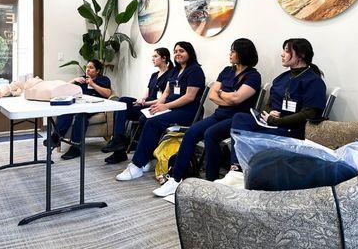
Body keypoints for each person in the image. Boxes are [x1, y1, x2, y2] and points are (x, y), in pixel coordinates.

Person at [153, 38, 261, 197]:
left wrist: (222, 94)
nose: (230, 54)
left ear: (243, 53)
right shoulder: (227, 71)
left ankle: (211, 180)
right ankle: (176, 179)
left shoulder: (253, 76)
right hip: (220, 114)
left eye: (233, 51)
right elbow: (212, 94)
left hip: (238, 118)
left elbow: (237, 99)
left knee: (210, 134)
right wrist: (228, 97)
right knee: (191, 133)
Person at [217, 38, 326, 187]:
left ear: (300, 55)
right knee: (240, 118)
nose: (282, 55)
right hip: (271, 123)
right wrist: (268, 113)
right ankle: (236, 170)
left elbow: (310, 113)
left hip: (291, 129)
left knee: (251, 136)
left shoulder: (313, 81)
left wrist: (278, 121)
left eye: (286, 51)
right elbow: (269, 104)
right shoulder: (281, 78)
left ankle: (248, 175)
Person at [116, 41, 205, 181]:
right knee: (145, 117)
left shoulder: (195, 70)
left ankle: (137, 165)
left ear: (190, 52)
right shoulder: (176, 70)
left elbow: (189, 97)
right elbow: (166, 92)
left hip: (188, 111)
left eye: (182, 51)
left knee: (153, 122)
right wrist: (158, 105)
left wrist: (166, 106)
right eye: (175, 51)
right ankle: (150, 158)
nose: (178, 54)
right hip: (172, 107)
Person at [102, 48, 174, 164]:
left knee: (125, 108)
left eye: (155, 56)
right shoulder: (154, 75)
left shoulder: (171, 74)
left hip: (156, 105)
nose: (153, 59)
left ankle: (119, 148)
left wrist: (145, 103)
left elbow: (163, 99)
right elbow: (147, 93)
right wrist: (141, 99)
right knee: (122, 101)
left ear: (164, 58)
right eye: (153, 56)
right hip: (146, 103)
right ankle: (118, 142)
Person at [45, 59, 112, 160]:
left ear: (97, 71)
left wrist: (93, 84)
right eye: (87, 67)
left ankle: (76, 147)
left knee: (81, 116)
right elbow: (64, 88)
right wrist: (74, 80)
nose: (87, 70)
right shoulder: (82, 80)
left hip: (95, 106)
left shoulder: (103, 79)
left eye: (91, 68)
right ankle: (56, 136)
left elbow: (108, 93)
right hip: (80, 104)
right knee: (67, 111)